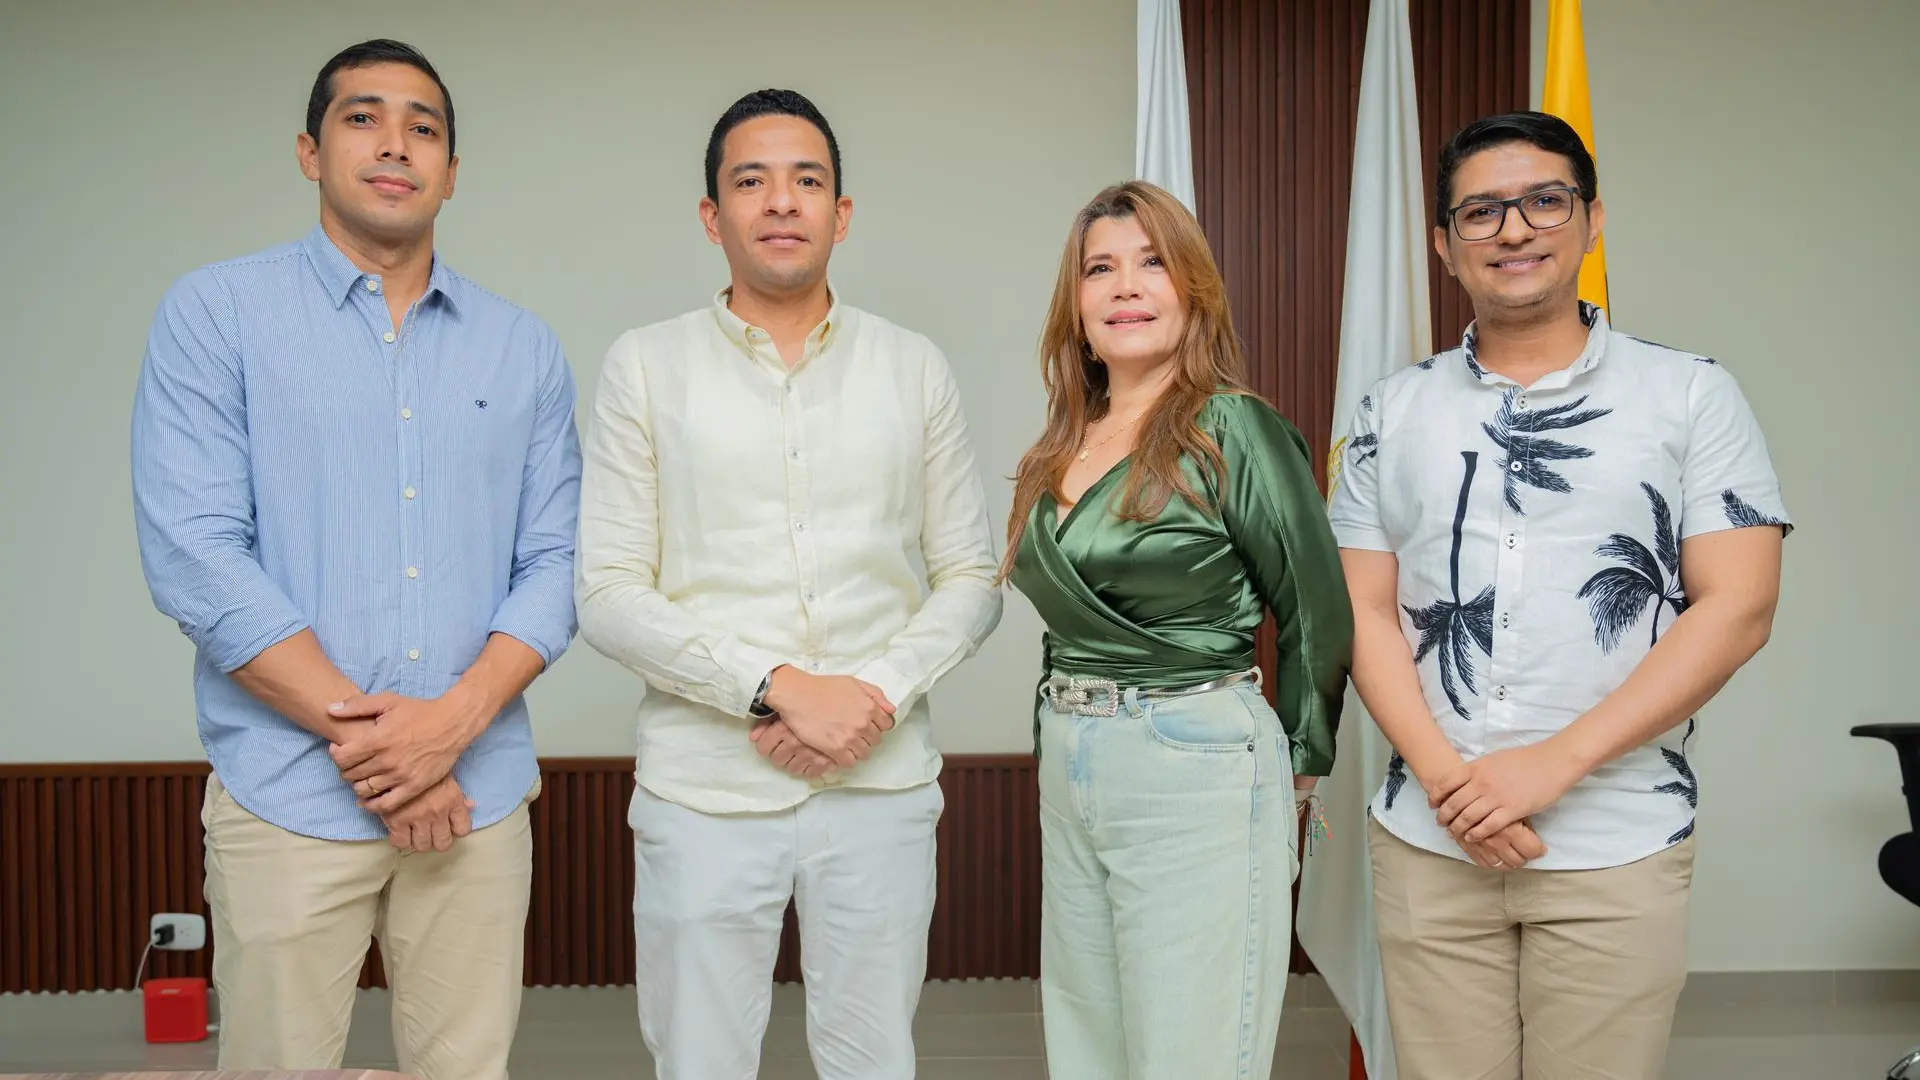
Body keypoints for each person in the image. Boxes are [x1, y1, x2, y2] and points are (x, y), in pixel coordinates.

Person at [129, 38, 580, 1080]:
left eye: (424, 128)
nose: (394, 144)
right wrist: (391, 754)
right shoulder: (216, 313)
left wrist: (450, 729)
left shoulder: (522, 346)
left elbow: (559, 560)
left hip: (477, 799)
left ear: (452, 172)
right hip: (287, 794)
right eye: (363, 117)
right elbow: (197, 555)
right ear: (309, 152)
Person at [1328, 111, 1789, 1080]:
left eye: (1545, 201)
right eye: (1482, 212)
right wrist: (1454, 787)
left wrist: (1550, 765)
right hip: (1430, 841)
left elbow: (1739, 606)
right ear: (1445, 244)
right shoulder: (1391, 411)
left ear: (1592, 220)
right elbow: (1361, 608)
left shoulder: (1691, 394)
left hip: (1618, 839)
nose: (1515, 229)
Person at [574, 88, 1003, 1079]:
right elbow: (608, 592)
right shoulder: (645, 367)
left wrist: (870, 696)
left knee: (872, 1060)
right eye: (751, 181)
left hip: (880, 783)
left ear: (840, 214)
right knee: (700, 1061)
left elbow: (973, 577)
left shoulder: (912, 367)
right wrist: (776, 688)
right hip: (704, 788)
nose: (780, 201)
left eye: (806, 181)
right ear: (711, 215)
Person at [1001, 180, 1353, 1080]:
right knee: (1089, 1051)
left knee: (1190, 1055)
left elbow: (1315, 606)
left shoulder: (1233, 427)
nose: (1125, 285)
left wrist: (1298, 771)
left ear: (1193, 290)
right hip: (1073, 755)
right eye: (1100, 269)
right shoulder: (1060, 443)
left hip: (1194, 757)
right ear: (1076, 307)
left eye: (1152, 263)